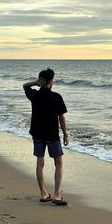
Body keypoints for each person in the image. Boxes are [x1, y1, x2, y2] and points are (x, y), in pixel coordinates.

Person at [23, 68, 69, 205]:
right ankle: (56, 195)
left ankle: (43, 194)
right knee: (58, 162)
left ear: (40, 81)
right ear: (50, 82)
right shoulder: (56, 97)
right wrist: (65, 133)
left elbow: (25, 86)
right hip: (52, 134)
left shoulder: (34, 95)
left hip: (37, 133)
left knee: (40, 162)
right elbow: (61, 118)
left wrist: (34, 82)